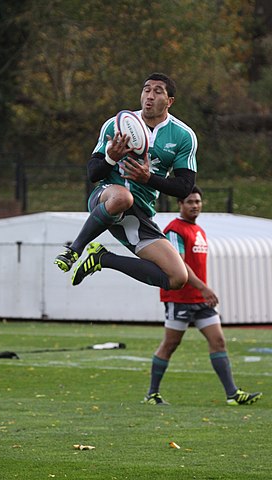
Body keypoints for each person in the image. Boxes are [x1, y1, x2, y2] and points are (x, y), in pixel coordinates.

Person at [54, 72, 198, 292]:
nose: (149, 96)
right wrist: (111, 158)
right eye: (146, 89)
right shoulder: (116, 124)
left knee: (178, 277)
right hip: (106, 198)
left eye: (157, 92)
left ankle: (103, 259)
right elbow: (93, 173)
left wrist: (148, 179)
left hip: (140, 213)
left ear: (169, 102)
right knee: (122, 197)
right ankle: (74, 250)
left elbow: (184, 187)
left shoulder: (182, 136)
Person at [144, 186, 263, 406]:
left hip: (200, 300)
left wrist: (202, 291)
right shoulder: (174, 230)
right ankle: (152, 394)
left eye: (198, 202)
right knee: (170, 344)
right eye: (190, 202)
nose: (195, 205)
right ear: (180, 204)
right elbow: (178, 265)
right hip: (179, 298)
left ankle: (232, 394)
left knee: (218, 341)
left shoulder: (199, 230)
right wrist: (204, 288)